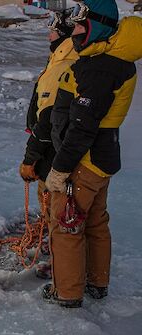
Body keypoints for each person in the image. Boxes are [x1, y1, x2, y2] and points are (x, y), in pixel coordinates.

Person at [42, 0, 142, 307]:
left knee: (66, 225)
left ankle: (67, 292)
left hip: (84, 161)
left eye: (80, 23)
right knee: (96, 221)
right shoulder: (111, 59)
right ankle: (97, 282)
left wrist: (60, 169)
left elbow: (82, 128)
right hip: (102, 158)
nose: (74, 29)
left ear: (97, 25)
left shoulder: (101, 68)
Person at [19, 10, 78, 279]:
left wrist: (31, 158)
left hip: (53, 152)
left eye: (53, 29)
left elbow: (49, 120)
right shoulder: (61, 59)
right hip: (56, 147)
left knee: (57, 209)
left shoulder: (63, 65)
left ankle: (62, 266)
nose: (48, 34)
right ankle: (59, 255)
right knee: (54, 208)